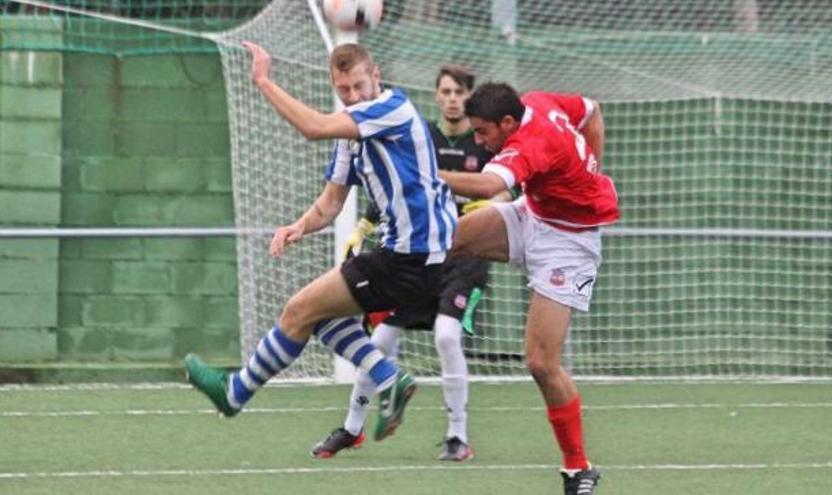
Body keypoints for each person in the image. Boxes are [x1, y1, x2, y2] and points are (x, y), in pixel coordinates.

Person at [184, 41, 459, 443]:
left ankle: (236, 393)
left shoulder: (391, 109)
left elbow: (312, 126)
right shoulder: (351, 134)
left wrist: (262, 80)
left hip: (415, 258)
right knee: (316, 315)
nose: (352, 96)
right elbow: (331, 203)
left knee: (299, 309)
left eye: (359, 86)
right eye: (343, 90)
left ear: (376, 77)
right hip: (401, 256)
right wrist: (297, 226)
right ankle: (387, 378)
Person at [311, 65, 504, 462]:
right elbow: (392, 185)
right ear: (436, 95)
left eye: (459, 92)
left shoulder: (483, 142)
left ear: (468, 98)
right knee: (379, 340)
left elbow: (505, 191)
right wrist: (362, 226)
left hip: (463, 258)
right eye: (445, 91)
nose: (452, 98)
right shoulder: (419, 133)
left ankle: (457, 436)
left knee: (447, 336)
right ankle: (351, 428)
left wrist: (489, 204)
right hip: (420, 254)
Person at [438, 82, 618, 495]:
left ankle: (578, 468)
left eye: (483, 132)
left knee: (541, 363)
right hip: (532, 215)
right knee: (442, 242)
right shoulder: (536, 101)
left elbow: (486, 187)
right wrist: (592, 164)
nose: (479, 140)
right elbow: (592, 110)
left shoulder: (530, 143)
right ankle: (377, 313)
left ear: (507, 122)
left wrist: (424, 173)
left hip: (569, 245)